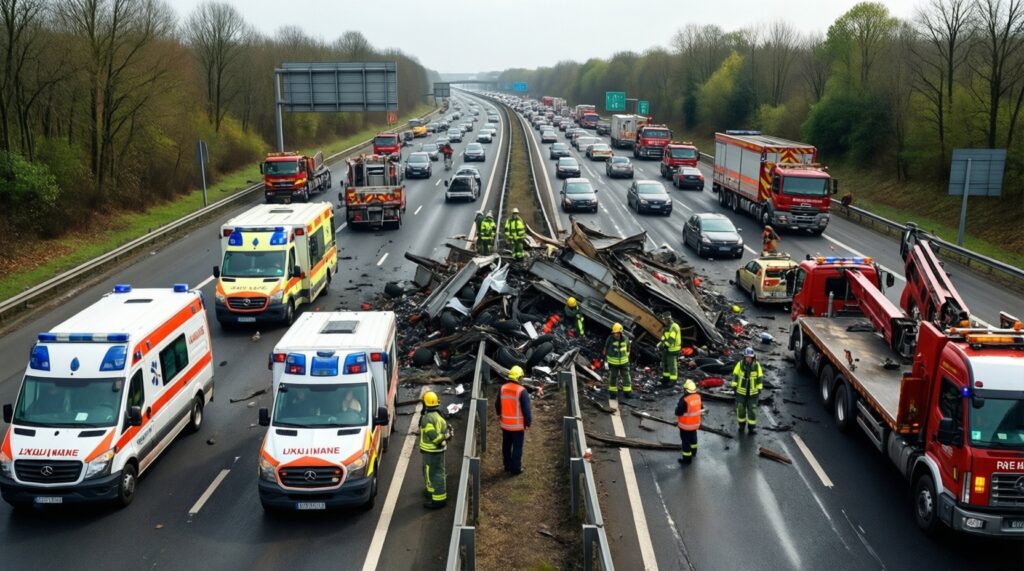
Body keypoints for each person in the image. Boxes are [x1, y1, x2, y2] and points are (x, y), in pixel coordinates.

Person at [495, 365, 531, 474]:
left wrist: (499, 415)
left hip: (505, 425)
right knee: (517, 448)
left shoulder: (502, 388)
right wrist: (528, 422)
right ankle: (515, 469)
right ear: (518, 378)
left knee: (506, 446)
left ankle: (507, 466)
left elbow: (497, 405)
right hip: (517, 427)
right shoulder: (522, 391)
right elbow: (526, 410)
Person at [419, 391, 449, 509]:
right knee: (430, 472)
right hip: (434, 451)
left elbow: (434, 436)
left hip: (432, 452)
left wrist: (441, 439)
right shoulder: (439, 416)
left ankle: (439, 500)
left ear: (425, 404)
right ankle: (431, 492)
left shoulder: (427, 419)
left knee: (436, 475)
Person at [731, 347, 763, 433]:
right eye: (746, 357)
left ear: (753, 357)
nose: (748, 359)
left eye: (750, 357)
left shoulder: (756, 366)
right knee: (740, 409)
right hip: (741, 392)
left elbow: (759, 377)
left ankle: (751, 428)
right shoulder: (740, 365)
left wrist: (759, 388)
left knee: (752, 410)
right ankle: (741, 426)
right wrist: (734, 386)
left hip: (753, 393)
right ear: (744, 357)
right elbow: (735, 375)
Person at [675, 380, 702, 464]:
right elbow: (700, 407)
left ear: (686, 390)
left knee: (685, 442)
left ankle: (687, 459)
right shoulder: (698, 397)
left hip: (685, 425)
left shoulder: (684, 399)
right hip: (695, 424)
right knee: (693, 438)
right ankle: (694, 452)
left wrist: (677, 410)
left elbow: (678, 412)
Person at [604, 323, 631, 399]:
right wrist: (606, 360)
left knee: (626, 376)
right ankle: (613, 393)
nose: (616, 335)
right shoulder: (610, 339)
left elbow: (628, 348)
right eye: (615, 333)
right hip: (613, 363)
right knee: (613, 377)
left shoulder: (625, 339)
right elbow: (605, 348)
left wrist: (627, 356)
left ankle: (628, 393)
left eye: (618, 333)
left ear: (621, 332)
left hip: (624, 363)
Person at [657, 312, 681, 385]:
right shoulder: (667, 327)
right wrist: (659, 345)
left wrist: (665, 346)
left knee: (672, 365)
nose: (663, 321)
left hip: (673, 349)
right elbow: (664, 338)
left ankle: (673, 380)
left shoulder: (674, 327)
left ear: (668, 319)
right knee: (665, 363)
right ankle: (666, 378)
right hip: (667, 349)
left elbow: (671, 339)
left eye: (664, 320)